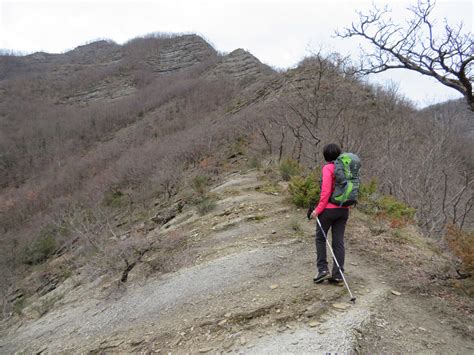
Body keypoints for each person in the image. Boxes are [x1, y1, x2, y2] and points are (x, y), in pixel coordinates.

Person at [310, 143, 349, 284]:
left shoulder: (328, 168)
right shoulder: (346, 168)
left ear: (325, 156)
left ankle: (323, 270)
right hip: (343, 210)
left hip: (328, 211)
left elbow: (325, 192)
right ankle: (338, 275)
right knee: (338, 242)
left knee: (320, 238)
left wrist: (317, 210)